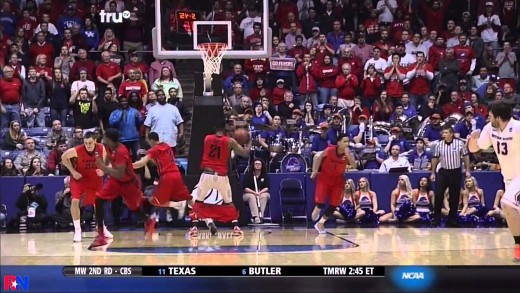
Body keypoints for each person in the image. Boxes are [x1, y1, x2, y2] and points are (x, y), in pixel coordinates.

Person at [468, 100, 520, 261]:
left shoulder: (517, 128)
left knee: (507, 204)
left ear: (497, 117)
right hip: (509, 178)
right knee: (512, 210)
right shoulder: (489, 128)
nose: (487, 117)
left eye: (489, 115)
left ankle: (518, 247)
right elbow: (475, 148)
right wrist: (473, 139)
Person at [88, 128, 155, 250]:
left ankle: (148, 221)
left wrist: (102, 166)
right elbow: (107, 161)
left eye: (105, 138)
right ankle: (101, 235)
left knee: (134, 208)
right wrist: (102, 165)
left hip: (128, 183)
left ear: (110, 139)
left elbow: (119, 173)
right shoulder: (108, 147)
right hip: (114, 180)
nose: (104, 139)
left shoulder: (121, 151)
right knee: (98, 199)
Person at [189, 121, 251, 237]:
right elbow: (245, 154)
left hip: (207, 175)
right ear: (226, 129)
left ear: (214, 128)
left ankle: (194, 229)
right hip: (222, 176)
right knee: (229, 203)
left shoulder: (207, 138)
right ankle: (236, 228)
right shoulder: (230, 141)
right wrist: (249, 142)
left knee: (198, 202)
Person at [61, 132, 111, 242]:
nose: (88, 145)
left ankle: (101, 227)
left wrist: (104, 171)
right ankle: (78, 230)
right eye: (86, 143)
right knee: (74, 201)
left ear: (95, 141)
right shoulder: (77, 150)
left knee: (97, 203)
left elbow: (110, 162)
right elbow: (63, 157)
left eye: (90, 143)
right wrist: (73, 171)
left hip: (94, 178)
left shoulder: (102, 148)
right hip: (79, 179)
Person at [132, 132, 191, 221]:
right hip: (177, 174)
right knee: (187, 197)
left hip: (167, 175)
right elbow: (160, 159)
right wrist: (147, 153)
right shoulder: (167, 146)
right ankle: (204, 218)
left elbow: (142, 163)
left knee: (154, 201)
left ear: (151, 140)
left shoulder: (154, 150)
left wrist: (128, 165)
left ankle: (177, 205)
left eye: (149, 141)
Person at [310, 134, 356, 234]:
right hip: (324, 178)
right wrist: (314, 171)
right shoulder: (330, 150)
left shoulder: (348, 153)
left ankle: (320, 223)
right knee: (320, 202)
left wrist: (348, 156)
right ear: (338, 142)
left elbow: (354, 165)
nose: (347, 143)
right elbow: (318, 157)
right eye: (344, 141)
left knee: (334, 205)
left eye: (348, 141)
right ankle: (317, 209)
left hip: (338, 181)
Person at [431, 124, 471, 227]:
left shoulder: (459, 144)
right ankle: (436, 218)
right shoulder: (439, 144)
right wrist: (432, 172)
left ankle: (452, 219)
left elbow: (465, 157)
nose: (444, 134)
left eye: (446, 132)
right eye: (443, 133)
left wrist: (467, 170)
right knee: (439, 195)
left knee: (454, 196)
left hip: (455, 171)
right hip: (443, 171)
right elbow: (435, 158)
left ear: (451, 134)